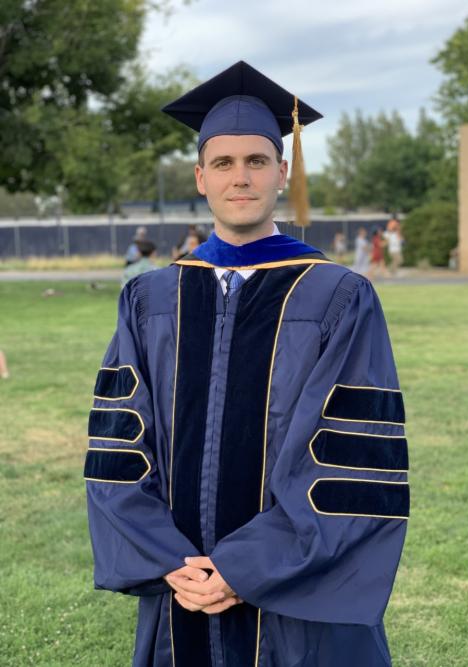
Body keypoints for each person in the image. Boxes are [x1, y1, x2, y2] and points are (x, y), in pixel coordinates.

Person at [84, 61, 409, 667]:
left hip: (295, 594)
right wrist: (174, 562)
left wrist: (241, 569)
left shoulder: (337, 296)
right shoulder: (152, 298)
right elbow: (119, 447)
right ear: (201, 176)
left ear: (282, 173)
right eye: (225, 163)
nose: (241, 177)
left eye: (257, 161)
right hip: (181, 590)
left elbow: (353, 461)